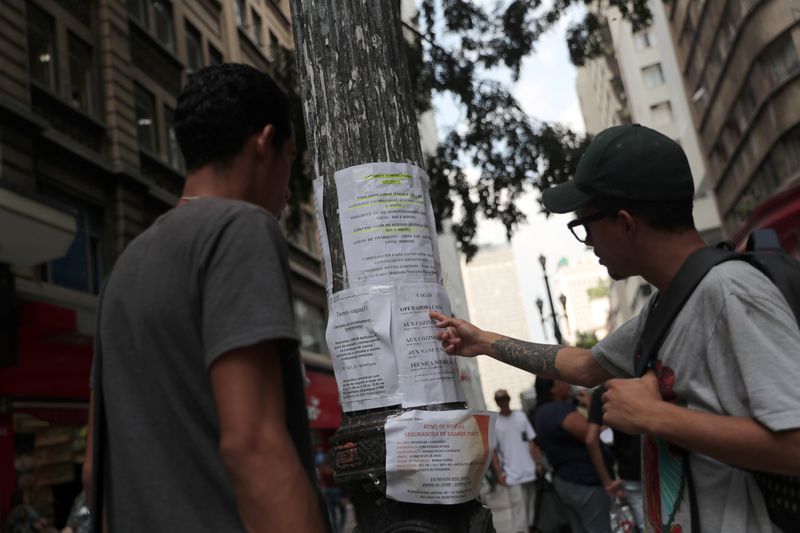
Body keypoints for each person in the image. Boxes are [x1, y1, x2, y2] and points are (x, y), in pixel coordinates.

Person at [431, 123, 800, 532]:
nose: (589, 243)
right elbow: (585, 365)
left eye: (586, 226)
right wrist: (483, 341)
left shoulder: (731, 292)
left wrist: (654, 417)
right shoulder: (666, 305)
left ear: (625, 223)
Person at [82, 63, 328, 532]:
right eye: (289, 161)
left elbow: (96, 468)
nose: (287, 183)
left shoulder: (124, 268)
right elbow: (254, 447)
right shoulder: (241, 229)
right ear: (264, 142)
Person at [532, 379, 613, 533]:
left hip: (564, 480)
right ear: (552, 389)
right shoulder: (560, 410)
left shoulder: (541, 412)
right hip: (584, 479)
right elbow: (590, 437)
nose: (568, 384)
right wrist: (592, 405)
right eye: (561, 382)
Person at [586, 387, 643, 532]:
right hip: (663, 465)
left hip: (630, 470)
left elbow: (591, 440)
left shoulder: (603, 391)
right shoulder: (646, 377)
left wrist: (608, 483)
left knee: (645, 525)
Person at [490, 389, 543, 533]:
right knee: (519, 507)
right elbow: (493, 451)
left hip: (529, 469)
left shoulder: (521, 417)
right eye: (500, 400)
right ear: (497, 402)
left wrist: (538, 463)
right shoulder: (495, 423)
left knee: (532, 506)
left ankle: (532, 529)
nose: (503, 402)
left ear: (509, 399)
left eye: (505, 398)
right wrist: (499, 473)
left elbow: (532, 442)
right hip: (512, 473)